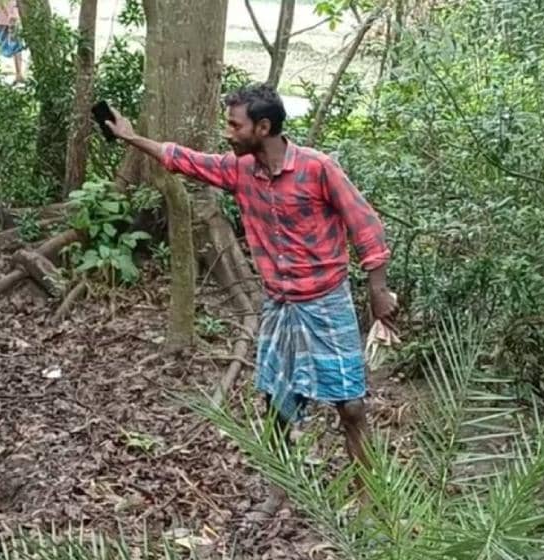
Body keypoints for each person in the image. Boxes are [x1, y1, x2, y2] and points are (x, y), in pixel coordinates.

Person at [105, 84, 398, 468]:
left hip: (327, 301)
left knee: (351, 405)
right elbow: (184, 159)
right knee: (276, 401)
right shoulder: (239, 170)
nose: (227, 133)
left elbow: (366, 226)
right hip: (279, 303)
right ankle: (282, 485)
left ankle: (369, 495)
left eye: (234, 125)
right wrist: (131, 138)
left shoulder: (317, 168)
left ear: (263, 127)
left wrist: (378, 290)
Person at [0, 0, 26, 84]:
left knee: (15, 47)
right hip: (7, 22)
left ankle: (18, 74)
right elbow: (5, 5)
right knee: (14, 48)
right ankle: (18, 73)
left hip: (4, 21)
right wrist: (12, 17)